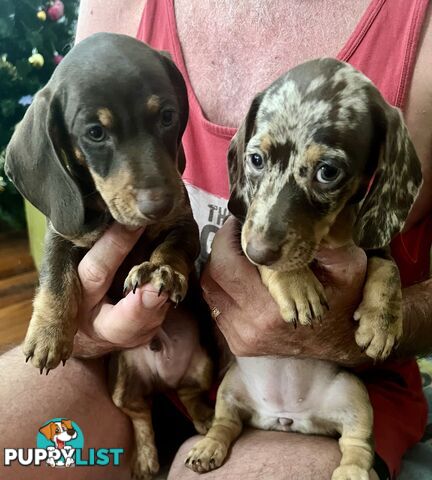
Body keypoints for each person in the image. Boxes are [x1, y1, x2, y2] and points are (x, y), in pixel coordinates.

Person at [1, 1, 431, 479]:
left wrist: (348, 335)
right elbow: (71, 175)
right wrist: (85, 328)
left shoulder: (422, 35)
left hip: (329, 393)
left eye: (166, 119)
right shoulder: (117, 9)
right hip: (132, 364)